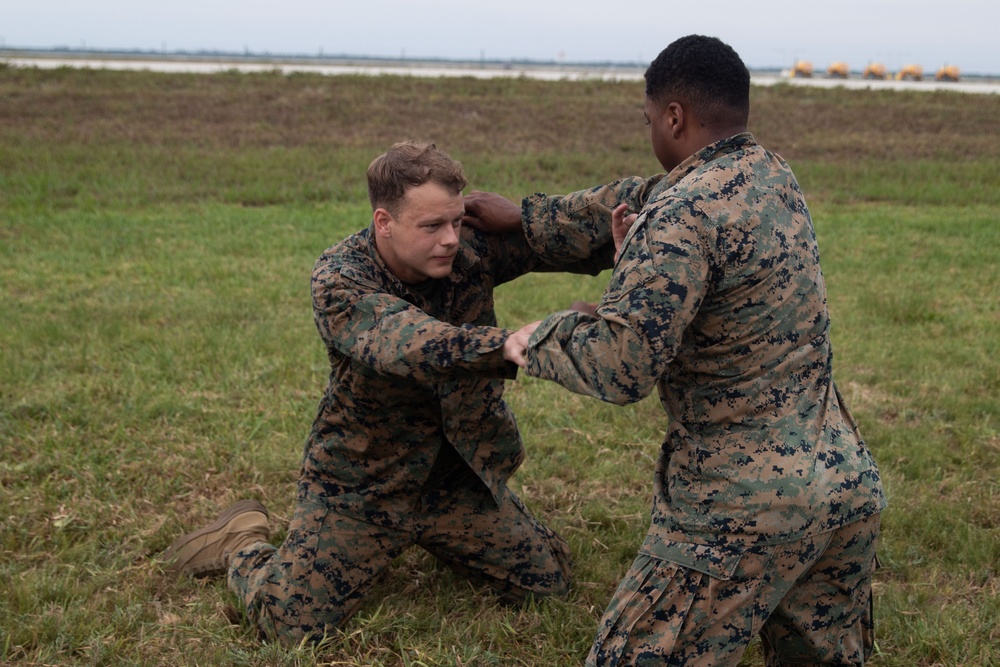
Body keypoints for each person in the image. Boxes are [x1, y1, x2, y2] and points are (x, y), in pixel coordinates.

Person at [469, 35, 887, 666]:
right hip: (844, 491)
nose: (651, 136)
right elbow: (639, 202)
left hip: (742, 508)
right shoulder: (773, 176)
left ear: (673, 116)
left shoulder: (681, 213)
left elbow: (622, 365)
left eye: (649, 121)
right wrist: (530, 219)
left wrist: (538, 338)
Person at [163, 141, 652, 644]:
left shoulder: (467, 249)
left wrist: (586, 231)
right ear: (384, 222)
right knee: (291, 625)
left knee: (548, 583)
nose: (450, 240)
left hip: (454, 477)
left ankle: (443, 538)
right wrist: (508, 345)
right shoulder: (340, 278)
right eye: (432, 227)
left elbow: (571, 237)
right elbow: (413, 344)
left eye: (457, 222)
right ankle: (242, 539)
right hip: (364, 484)